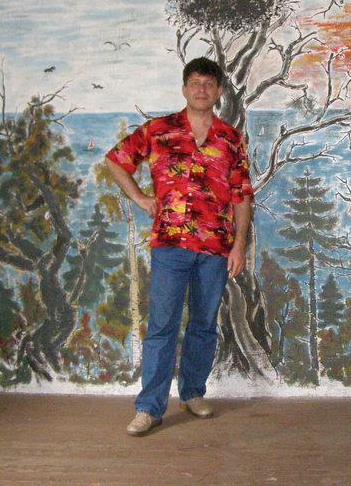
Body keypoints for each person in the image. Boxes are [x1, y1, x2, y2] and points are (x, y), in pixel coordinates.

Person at [105, 57, 253, 436]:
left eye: (209, 84)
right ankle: (149, 408)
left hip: (215, 248)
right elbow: (116, 160)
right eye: (195, 83)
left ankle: (192, 393)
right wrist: (139, 197)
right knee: (162, 326)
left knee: (203, 325)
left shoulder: (231, 139)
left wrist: (239, 245)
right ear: (184, 88)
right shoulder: (158, 130)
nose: (202, 89)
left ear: (219, 91)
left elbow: (241, 195)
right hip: (169, 245)